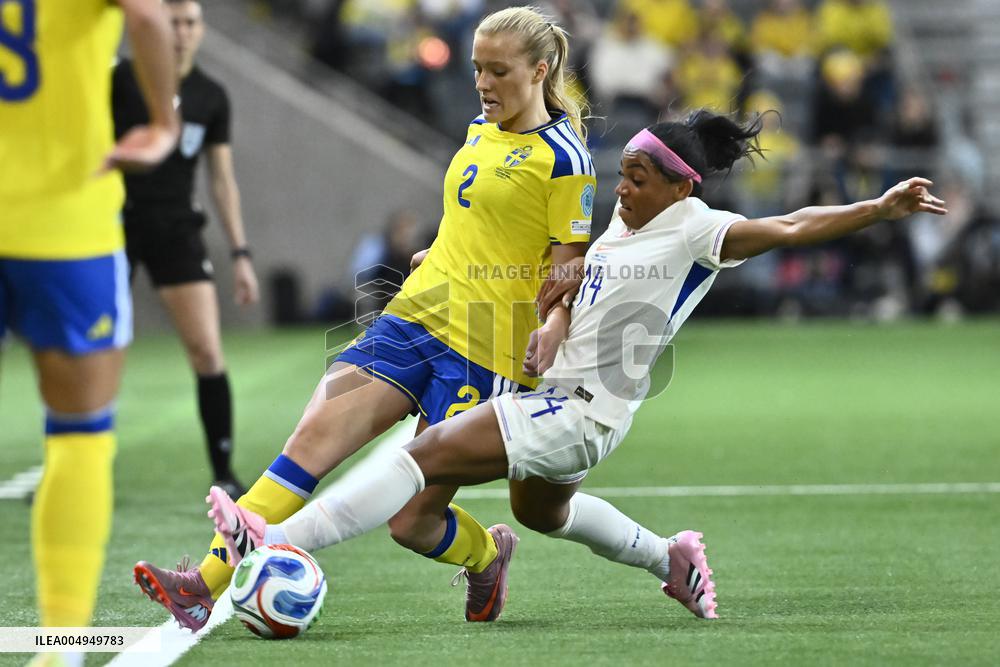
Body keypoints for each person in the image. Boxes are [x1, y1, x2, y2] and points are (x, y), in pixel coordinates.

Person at [204, 110, 947, 621]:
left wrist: (874, 210)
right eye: (621, 172)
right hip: (567, 405)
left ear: (682, 184)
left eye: (637, 177)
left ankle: (276, 538)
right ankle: (672, 559)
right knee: (530, 513)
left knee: (422, 452)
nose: (621, 188)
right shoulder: (622, 228)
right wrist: (493, 286)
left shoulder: (700, 229)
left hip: (577, 410)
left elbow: (787, 225)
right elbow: (556, 280)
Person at [134, 5, 601, 630]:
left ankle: (488, 553)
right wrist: (437, 253)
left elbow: (569, 264)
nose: (483, 84)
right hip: (414, 319)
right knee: (307, 446)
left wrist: (555, 325)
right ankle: (203, 587)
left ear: (541, 71)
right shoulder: (478, 130)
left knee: (411, 523)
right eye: (476, 70)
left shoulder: (566, 158)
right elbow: (483, 220)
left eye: (498, 71)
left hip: (488, 353)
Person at [0, 0, 178, 658]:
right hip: (63, 219)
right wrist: (162, 122)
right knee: (79, 432)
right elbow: (149, 15)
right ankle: (61, 642)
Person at [112, 0, 259, 497]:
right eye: (171, 21)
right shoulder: (120, 80)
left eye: (190, 22)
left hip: (176, 230)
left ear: (201, 29)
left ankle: (223, 470)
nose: (181, 32)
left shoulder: (210, 95)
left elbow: (222, 179)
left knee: (206, 350)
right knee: (92, 351)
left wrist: (241, 254)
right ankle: (72, 465)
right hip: (113, 228)